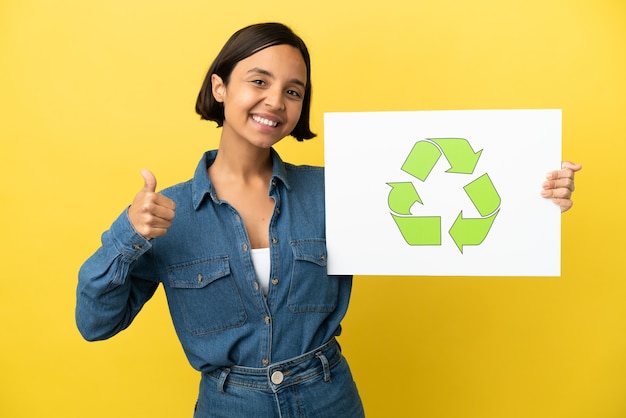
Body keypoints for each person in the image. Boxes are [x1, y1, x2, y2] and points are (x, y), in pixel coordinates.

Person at [75, 22, 582, 418]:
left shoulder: (340, 187)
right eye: (259, 81)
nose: (276, 101)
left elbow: (451, 198)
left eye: (293, 91)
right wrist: (126, 236)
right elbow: (95, 325)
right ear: (220, 86)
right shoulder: (165, 215)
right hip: (230, 406)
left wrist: (537, 196)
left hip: (328, 399)